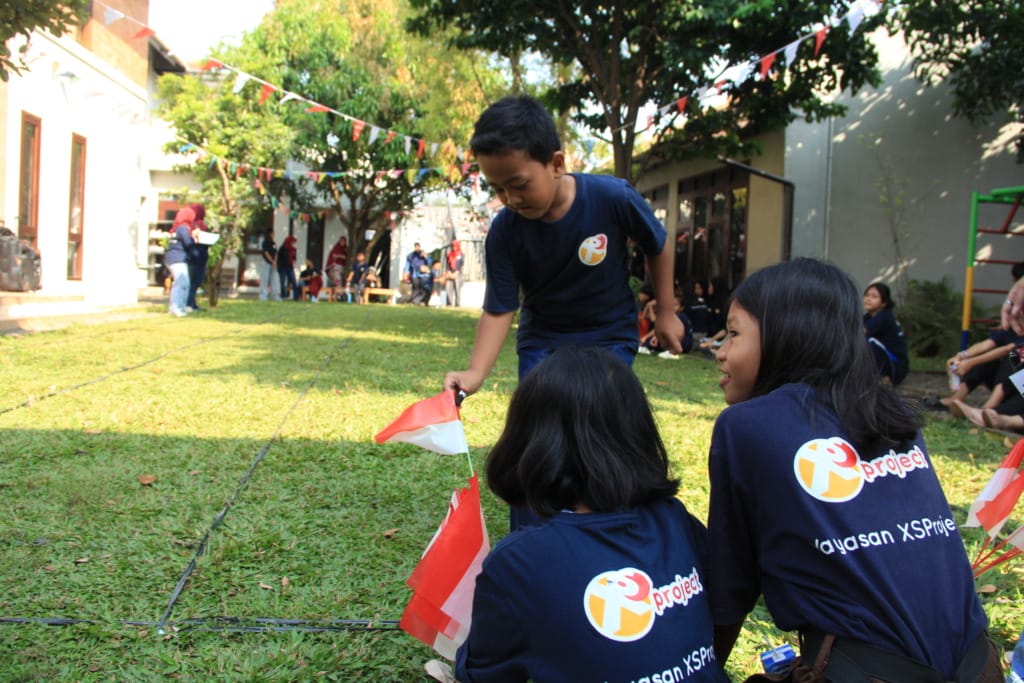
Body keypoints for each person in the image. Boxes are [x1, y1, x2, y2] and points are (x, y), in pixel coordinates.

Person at [708, 258, 999, 682]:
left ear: (786, 335)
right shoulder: (894, 415)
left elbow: (730, 586)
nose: (720, 351)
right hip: (981, 666)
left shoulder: (746, 427)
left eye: (733, 333)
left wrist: (702, 669)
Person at [455, 346, 728, 683]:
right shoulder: (675, 519)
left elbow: (483, 674)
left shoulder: (520, 561)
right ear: (638, 432)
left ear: (531, 440)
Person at [443, 95, 683, 397]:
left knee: (600, 417)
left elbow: (657, 245)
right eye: (498, 188)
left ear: (556, 164)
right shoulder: (505, 231)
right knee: (542, 421)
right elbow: (498, 309)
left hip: (609, 336)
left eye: (519, 185)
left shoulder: (613, 198)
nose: (510, 198)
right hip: (542, 341)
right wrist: (475, 373)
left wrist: (665, 312)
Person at [863, 281, 910, 385]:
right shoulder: (868, 317)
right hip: (888, 361)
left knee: (865, 341)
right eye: (867, 295)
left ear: (884, 303)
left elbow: (856, 334)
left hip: (895, 367)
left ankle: (883, 377)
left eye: (874, 296)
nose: (868, 299)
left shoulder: (884, 317)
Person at [164, 207, 195, 317]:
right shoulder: (183, 228)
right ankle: (176, 308)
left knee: (182, 283)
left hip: (173, 258)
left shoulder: (176, 227)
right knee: (181, 283)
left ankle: (178, 307)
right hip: (178, 259)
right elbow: (188, 243)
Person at [186, 203, 210, 312]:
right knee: (194, 282)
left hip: (193, 256)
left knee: (193, 282)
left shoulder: (192, 225)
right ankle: (189, 304)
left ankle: (192, 303)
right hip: (198, 256)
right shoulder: (198, 226)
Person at [277, 234, 298, 300]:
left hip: (290, 267)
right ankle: (283, 296)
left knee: (294, 282)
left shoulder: (293, 249)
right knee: (282, 282)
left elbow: (294, 258)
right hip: (282, 267)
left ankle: (296, 297)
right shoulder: (283, 248)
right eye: (292, 242)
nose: (293, 243)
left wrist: (292, 261)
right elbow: (278, 258)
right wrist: (278, 266)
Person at [445, 239, 465, 307]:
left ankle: (457, 304)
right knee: (448, 288)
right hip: (450, 273)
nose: (453, 247)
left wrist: (456, 273)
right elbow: (447, 264)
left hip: (458, 274)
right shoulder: (449, 254)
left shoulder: (461, 254)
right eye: (452, 246)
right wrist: (449, 272)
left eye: (455, 246)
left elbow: (461, 264)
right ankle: (449, 303)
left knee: (457, 288)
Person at [260, 229, 277, 301]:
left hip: (273, 263)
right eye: (273, 233)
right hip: (266, 262)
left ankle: (274, 295)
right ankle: (263, 295)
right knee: (265, 279)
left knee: (273, 279)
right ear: (269, 234)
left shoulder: (273, 243)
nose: (274, 235)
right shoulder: (265, 243)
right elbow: (266, 253)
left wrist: (275, 261)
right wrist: (272, 261)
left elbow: (276, 253)